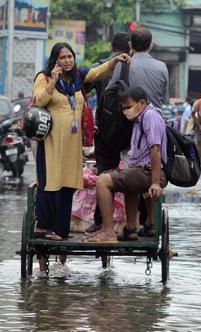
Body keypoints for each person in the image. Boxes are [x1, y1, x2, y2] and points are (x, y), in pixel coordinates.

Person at [32, 42, 130, 242]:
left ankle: (60, 229)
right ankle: (44, 227)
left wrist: (115, 61)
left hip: (72, 142)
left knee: (68, 181)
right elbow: (39, 101)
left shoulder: (77, 78)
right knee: (51, 181)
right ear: (55, 60)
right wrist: (53, 81)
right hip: (52, 141)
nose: (67, 61)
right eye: (62, 58)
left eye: (70, 56)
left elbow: (96, 73)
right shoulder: (44, 77)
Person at [85, 87, 168, 243]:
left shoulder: (150, 116)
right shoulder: (139, 119)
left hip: (150, 173)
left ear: (142, 103)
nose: (125, 111)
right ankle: (130, 229)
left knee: (103, 181)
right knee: (129, 182)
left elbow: (155, 149)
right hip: (140, 171)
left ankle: (108, 232)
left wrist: (155, 183)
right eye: (123, 108)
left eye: (128, 107)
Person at [84, 32, 131, 235]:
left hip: (105, 128)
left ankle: (101, 221)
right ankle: (136, 223)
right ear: (129, 47)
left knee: (104, 174)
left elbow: (83, 87)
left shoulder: (101, 65)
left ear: (112, 46)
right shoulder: (133, 65)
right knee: (135, 173)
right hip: (130, 128)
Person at [107, 27, 169, 109]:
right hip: (154, 120)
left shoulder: (123, 65)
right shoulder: (162, 67)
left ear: (130, 45)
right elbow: (165, 99)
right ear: (151, 45)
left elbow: (108, 91)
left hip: (129, 119)